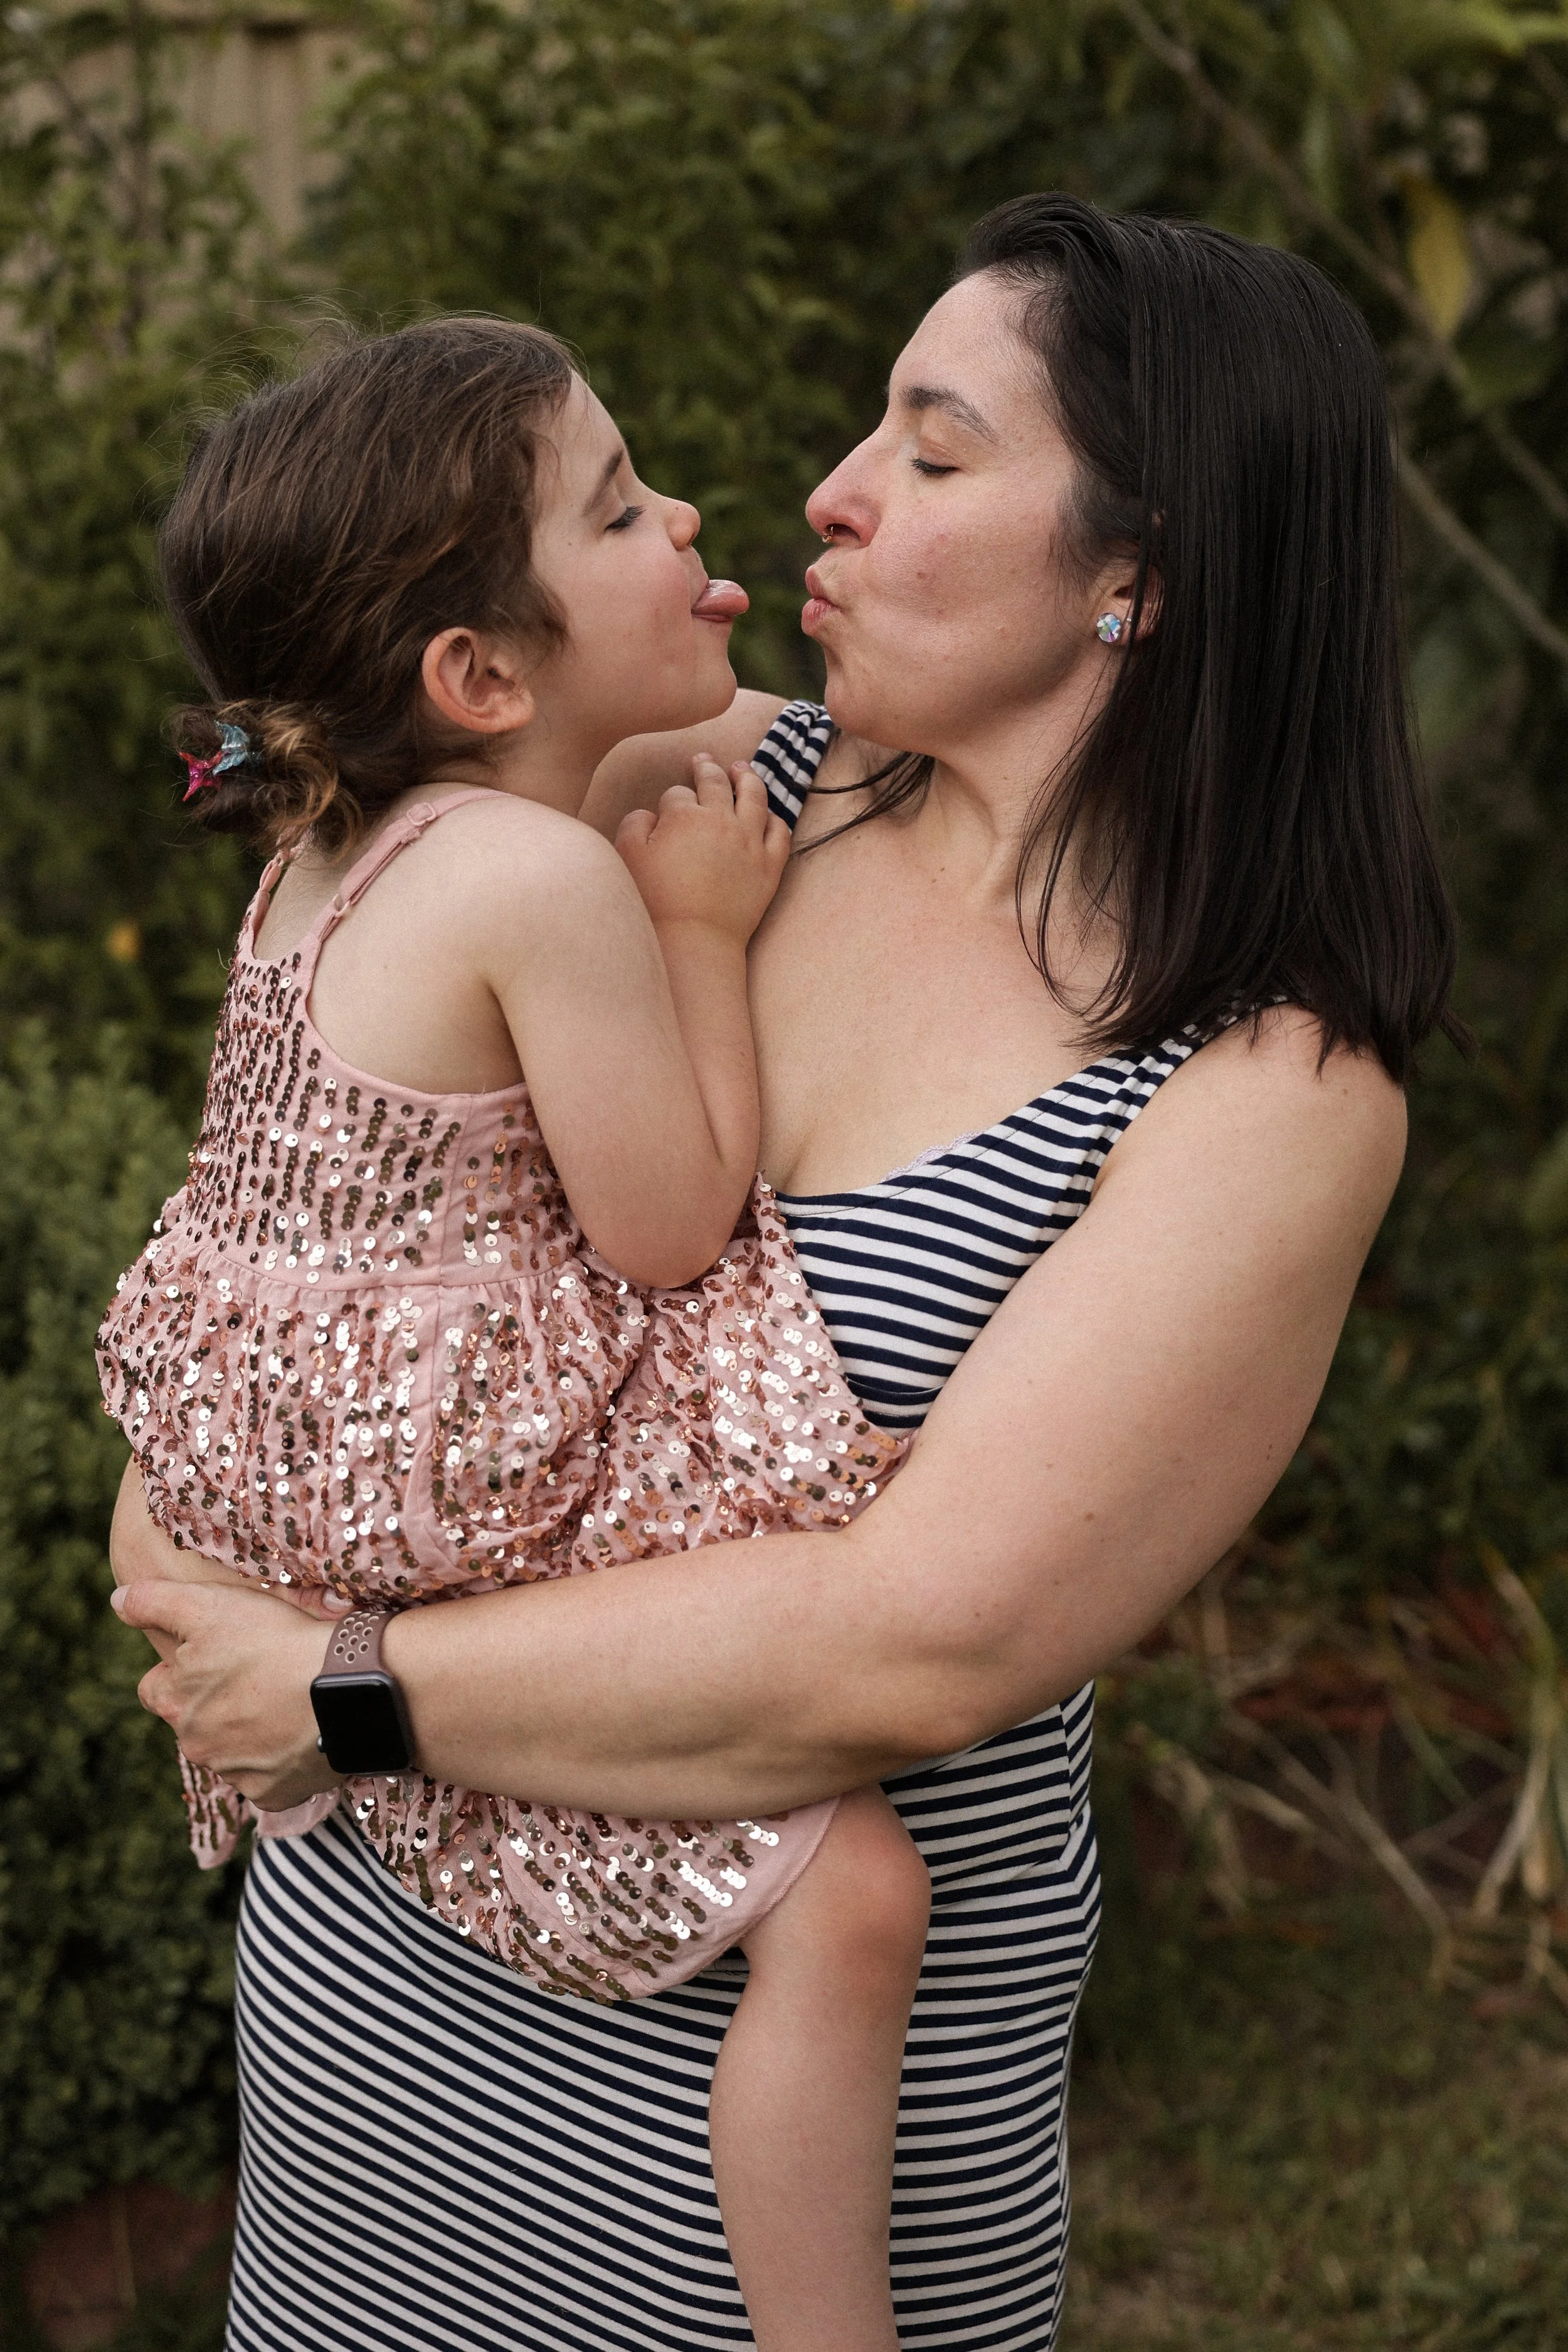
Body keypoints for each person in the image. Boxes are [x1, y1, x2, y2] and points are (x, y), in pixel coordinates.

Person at [110, 193, 1455, 2352]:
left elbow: (904, 1651)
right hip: (369, 2071)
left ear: (1140, 572)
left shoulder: (1268, 1088)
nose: (826, 488)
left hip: (748, 2213)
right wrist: (192, 1506)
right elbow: (327, 1201)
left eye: (932, 455)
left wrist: (341, 1683)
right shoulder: (707, 794)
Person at [97, 314, 933, 2352]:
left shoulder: (335, 831)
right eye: (625, 507)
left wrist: (669, 718)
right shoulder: (545, 882)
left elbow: (653, 729)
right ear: (474, 677)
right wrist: (707, 934)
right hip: (441, 1488)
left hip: (249, 1467)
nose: (691, 523)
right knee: (857, 1900)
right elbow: (664, 1226)